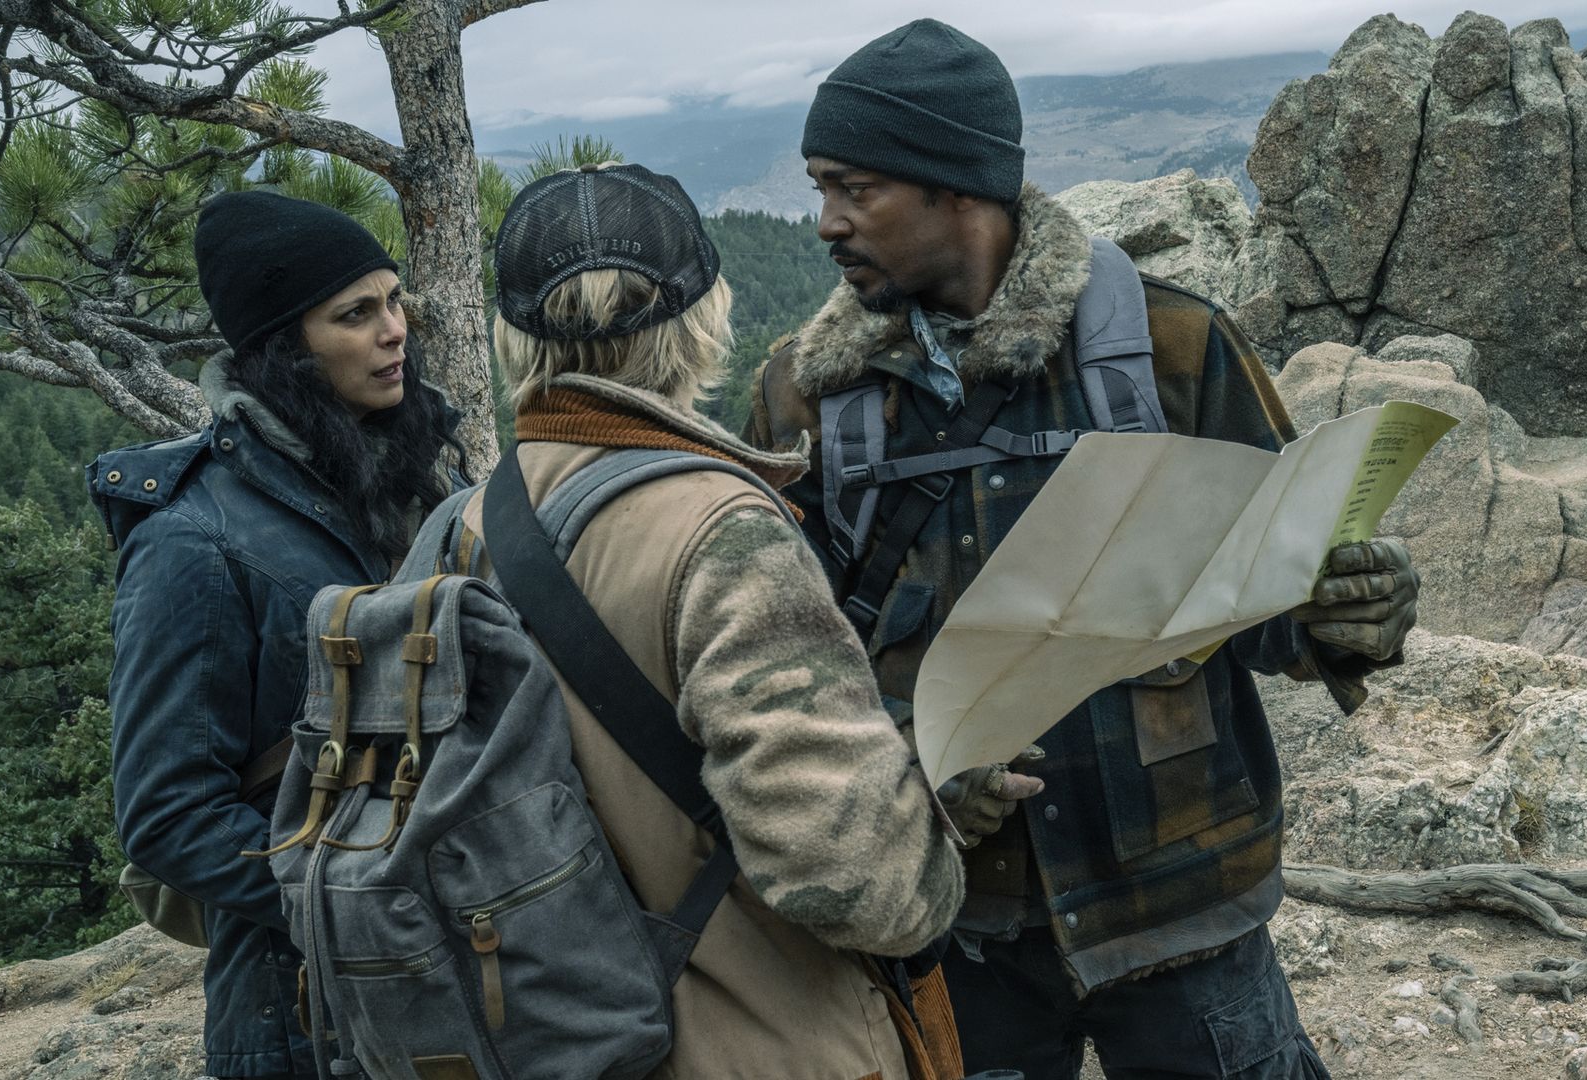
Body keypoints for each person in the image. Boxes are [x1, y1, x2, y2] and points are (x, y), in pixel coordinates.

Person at [743, 19, 1421, 1080]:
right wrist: (910, 770)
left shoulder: (1171, 349)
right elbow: (785, 668)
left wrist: (1350, 615)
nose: (826, 221)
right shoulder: (806, 400)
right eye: (821, 187)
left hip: (1183, 908)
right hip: (958, 923)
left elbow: (1270, 598)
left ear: (960, 187)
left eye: (855, 189)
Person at [455, 162, 967, 1079]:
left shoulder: (453, 531)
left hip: (541, 1041)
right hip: (751, 1043)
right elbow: (860, 880)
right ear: (705, 318)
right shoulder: (722, 533)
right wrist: (935, 843)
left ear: (512, 337)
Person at [91, 191, 464, 1079]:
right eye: (356, 314)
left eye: (395, 301)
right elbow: (169, 814)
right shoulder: (193, 540)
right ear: (285, 349)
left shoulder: (411, 476)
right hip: (302, 1013)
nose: (395, 331)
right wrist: (369, 899)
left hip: (445, 967)